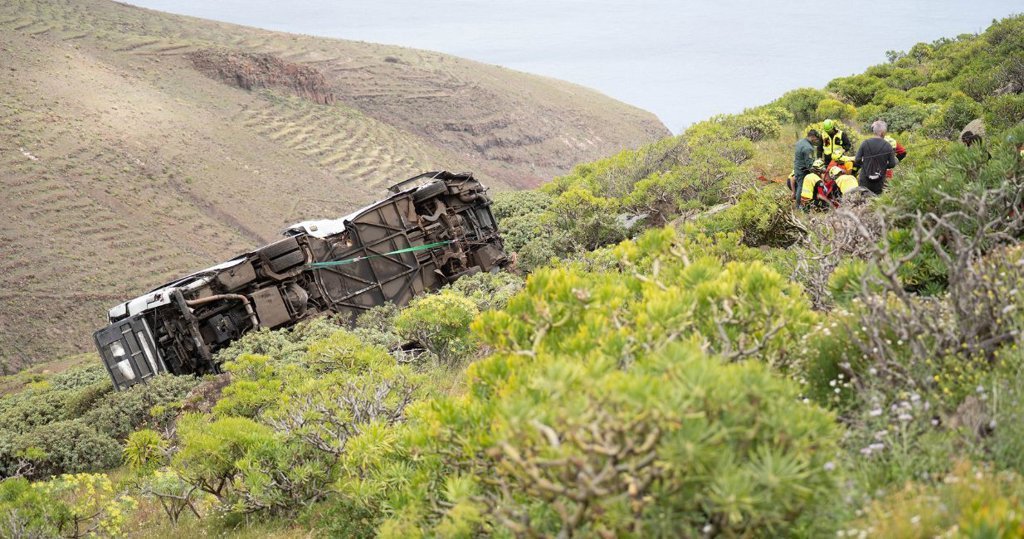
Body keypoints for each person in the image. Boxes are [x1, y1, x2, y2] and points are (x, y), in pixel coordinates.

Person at [853, 120, 898, 195]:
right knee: (876, 200)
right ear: (883, 132)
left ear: (874, 131)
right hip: (879, 181)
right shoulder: (888, 146)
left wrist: (864, 165)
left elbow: (857, 160)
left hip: (864, 179)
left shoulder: (865, 143)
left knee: (863, 199)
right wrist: (884, 166)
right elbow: (892, 164)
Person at [793, 129, 820, 208]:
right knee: (801, 188)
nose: (816, 140)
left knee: (799, 186)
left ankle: (800, 205)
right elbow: (810, 165)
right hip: (803, 170)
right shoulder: (808, 148)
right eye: (816, 138)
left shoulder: (800, 142)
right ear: (812, 137)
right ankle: (799, 206)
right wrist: (817, 171)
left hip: (797, 167)